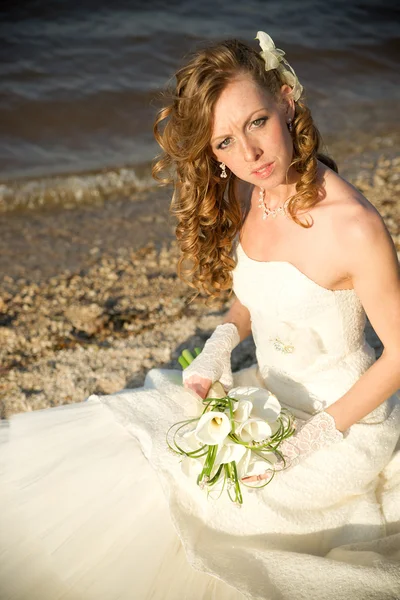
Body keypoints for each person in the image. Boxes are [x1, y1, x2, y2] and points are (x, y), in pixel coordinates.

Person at [0, 31, 399, 600]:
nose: (249, 156)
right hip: (263, 396)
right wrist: (219, 343)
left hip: (344, 425)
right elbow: (256, 296)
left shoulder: (354, 226)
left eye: (257, 123)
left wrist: (304, 444)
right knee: (137, 446)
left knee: (213, 512)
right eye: (225, 144)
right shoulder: (251, 195)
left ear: (286, 101)